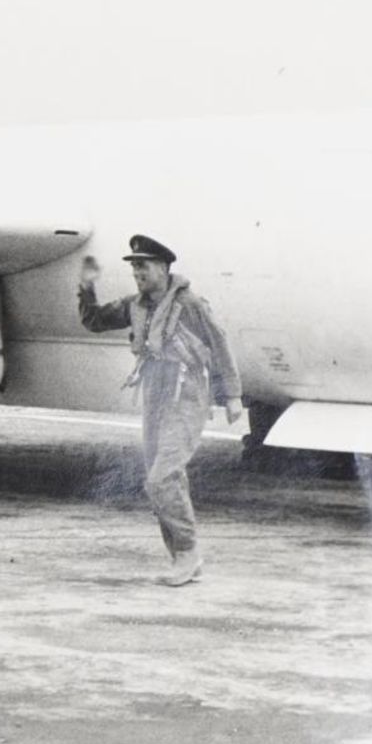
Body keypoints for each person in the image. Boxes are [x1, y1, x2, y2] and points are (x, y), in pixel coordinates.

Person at [78, 234, 245, 586]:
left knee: (162, 478)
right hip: (154, 394)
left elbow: (220, 344)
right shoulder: (134, 305)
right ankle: (182, 559)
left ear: (164, 268)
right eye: (134, 266)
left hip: (186, 395)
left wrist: (232, 395)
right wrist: (86, 287)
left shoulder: (191, 304)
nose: (138, 271)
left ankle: (187, 553)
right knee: (162, 478)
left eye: (144, 265)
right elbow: (93, 321)